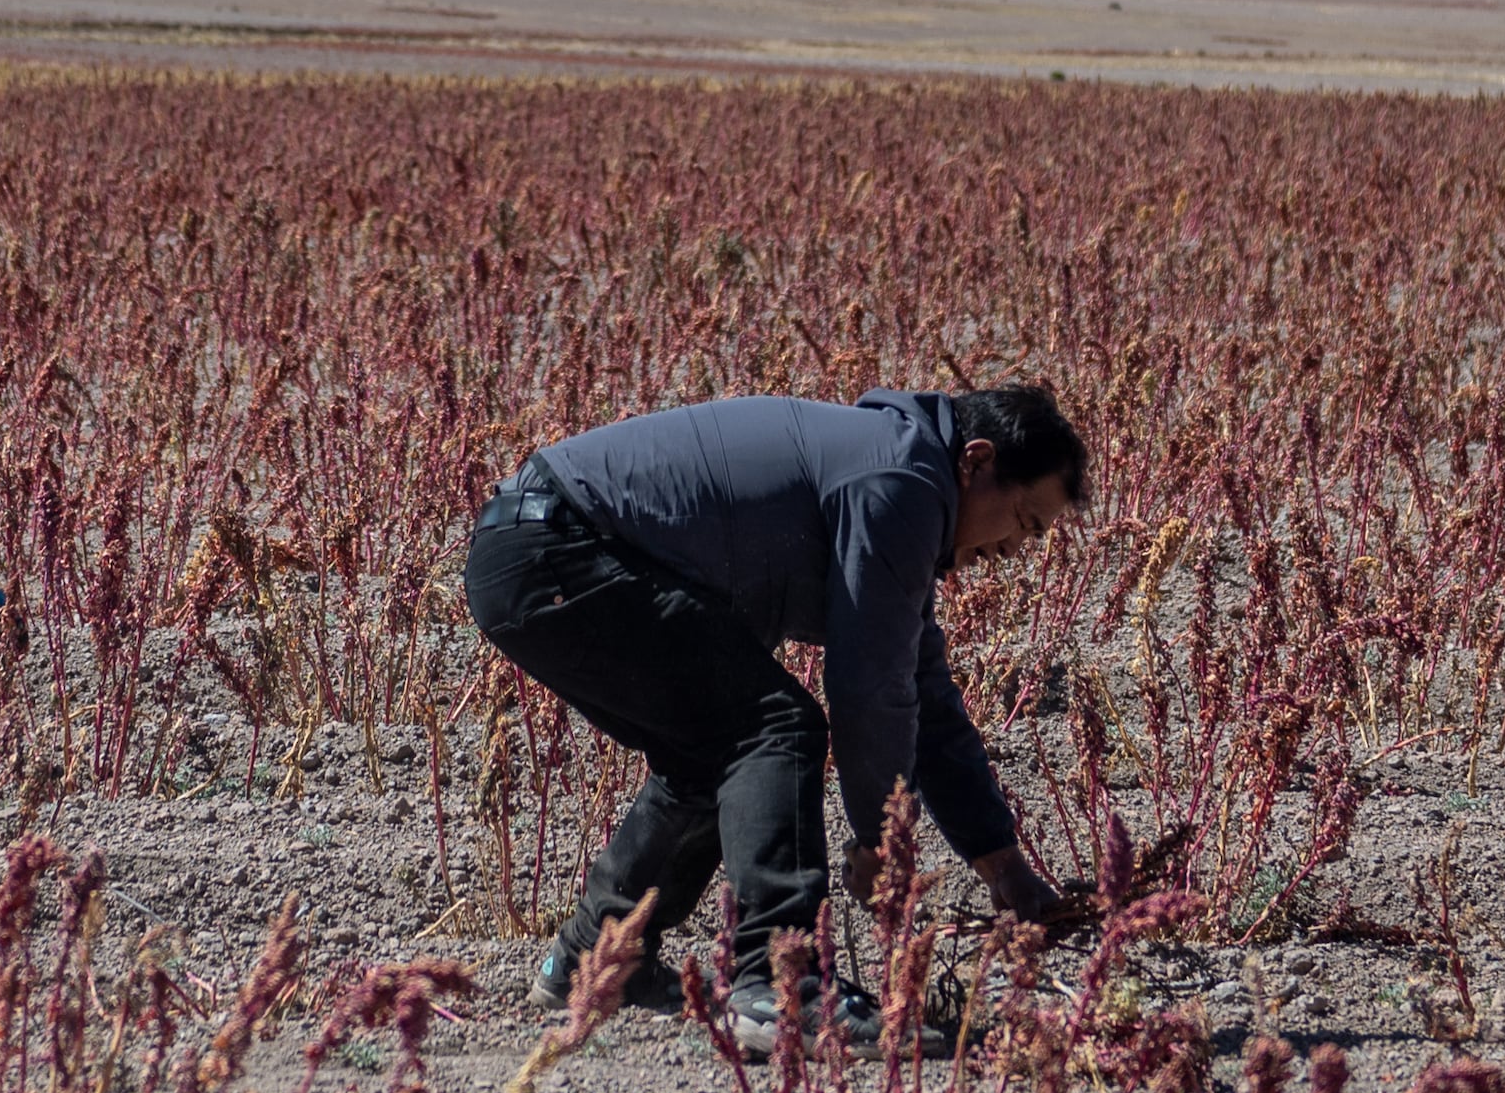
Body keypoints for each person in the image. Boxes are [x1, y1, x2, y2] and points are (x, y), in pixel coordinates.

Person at [466, 382, 1092, 1049]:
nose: (1010, 553)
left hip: (529, 549)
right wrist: (882, 841)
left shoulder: (894, 478)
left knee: (714, 753)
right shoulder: (902, 478)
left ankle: (595, 962)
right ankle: (777, 979)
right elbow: (869, 688)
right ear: (976, 459)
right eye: (1024, 522)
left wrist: (1003, 865)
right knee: (773, 727)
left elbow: (923, 694)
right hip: (556, 547)